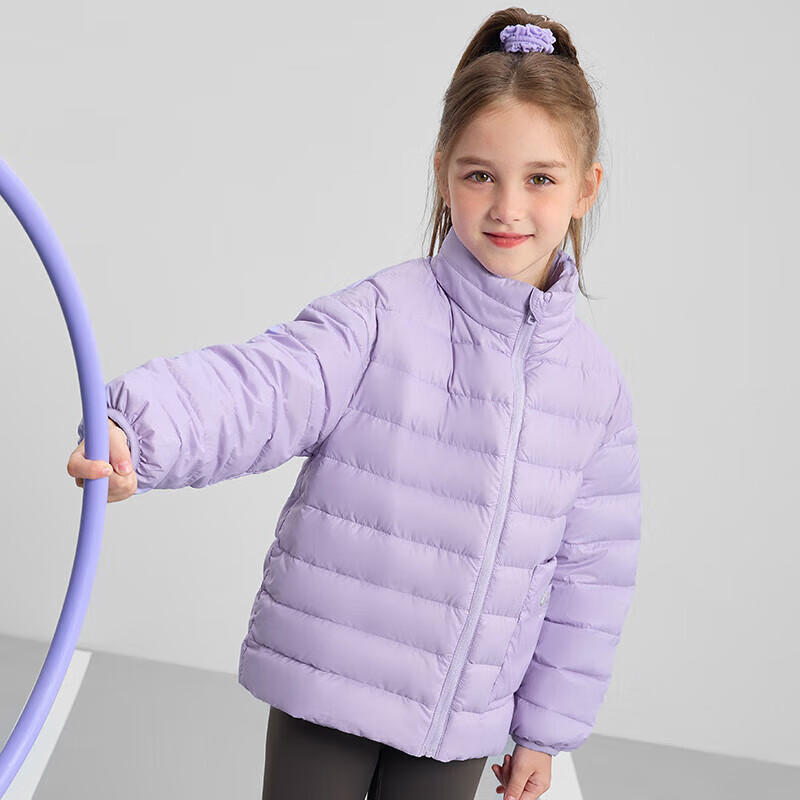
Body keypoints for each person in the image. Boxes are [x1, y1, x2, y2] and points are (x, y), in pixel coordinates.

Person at [68, 9, 641, 800]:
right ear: (443, 174)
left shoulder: (596, 392)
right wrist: (136, 428)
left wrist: (545, 730)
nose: (508, 207)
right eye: (480, 174)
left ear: (585, 188)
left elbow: (591, 579)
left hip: (457, 723)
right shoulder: (382, 318)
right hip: (328, 687)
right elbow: (262, 385)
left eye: (540, 178)